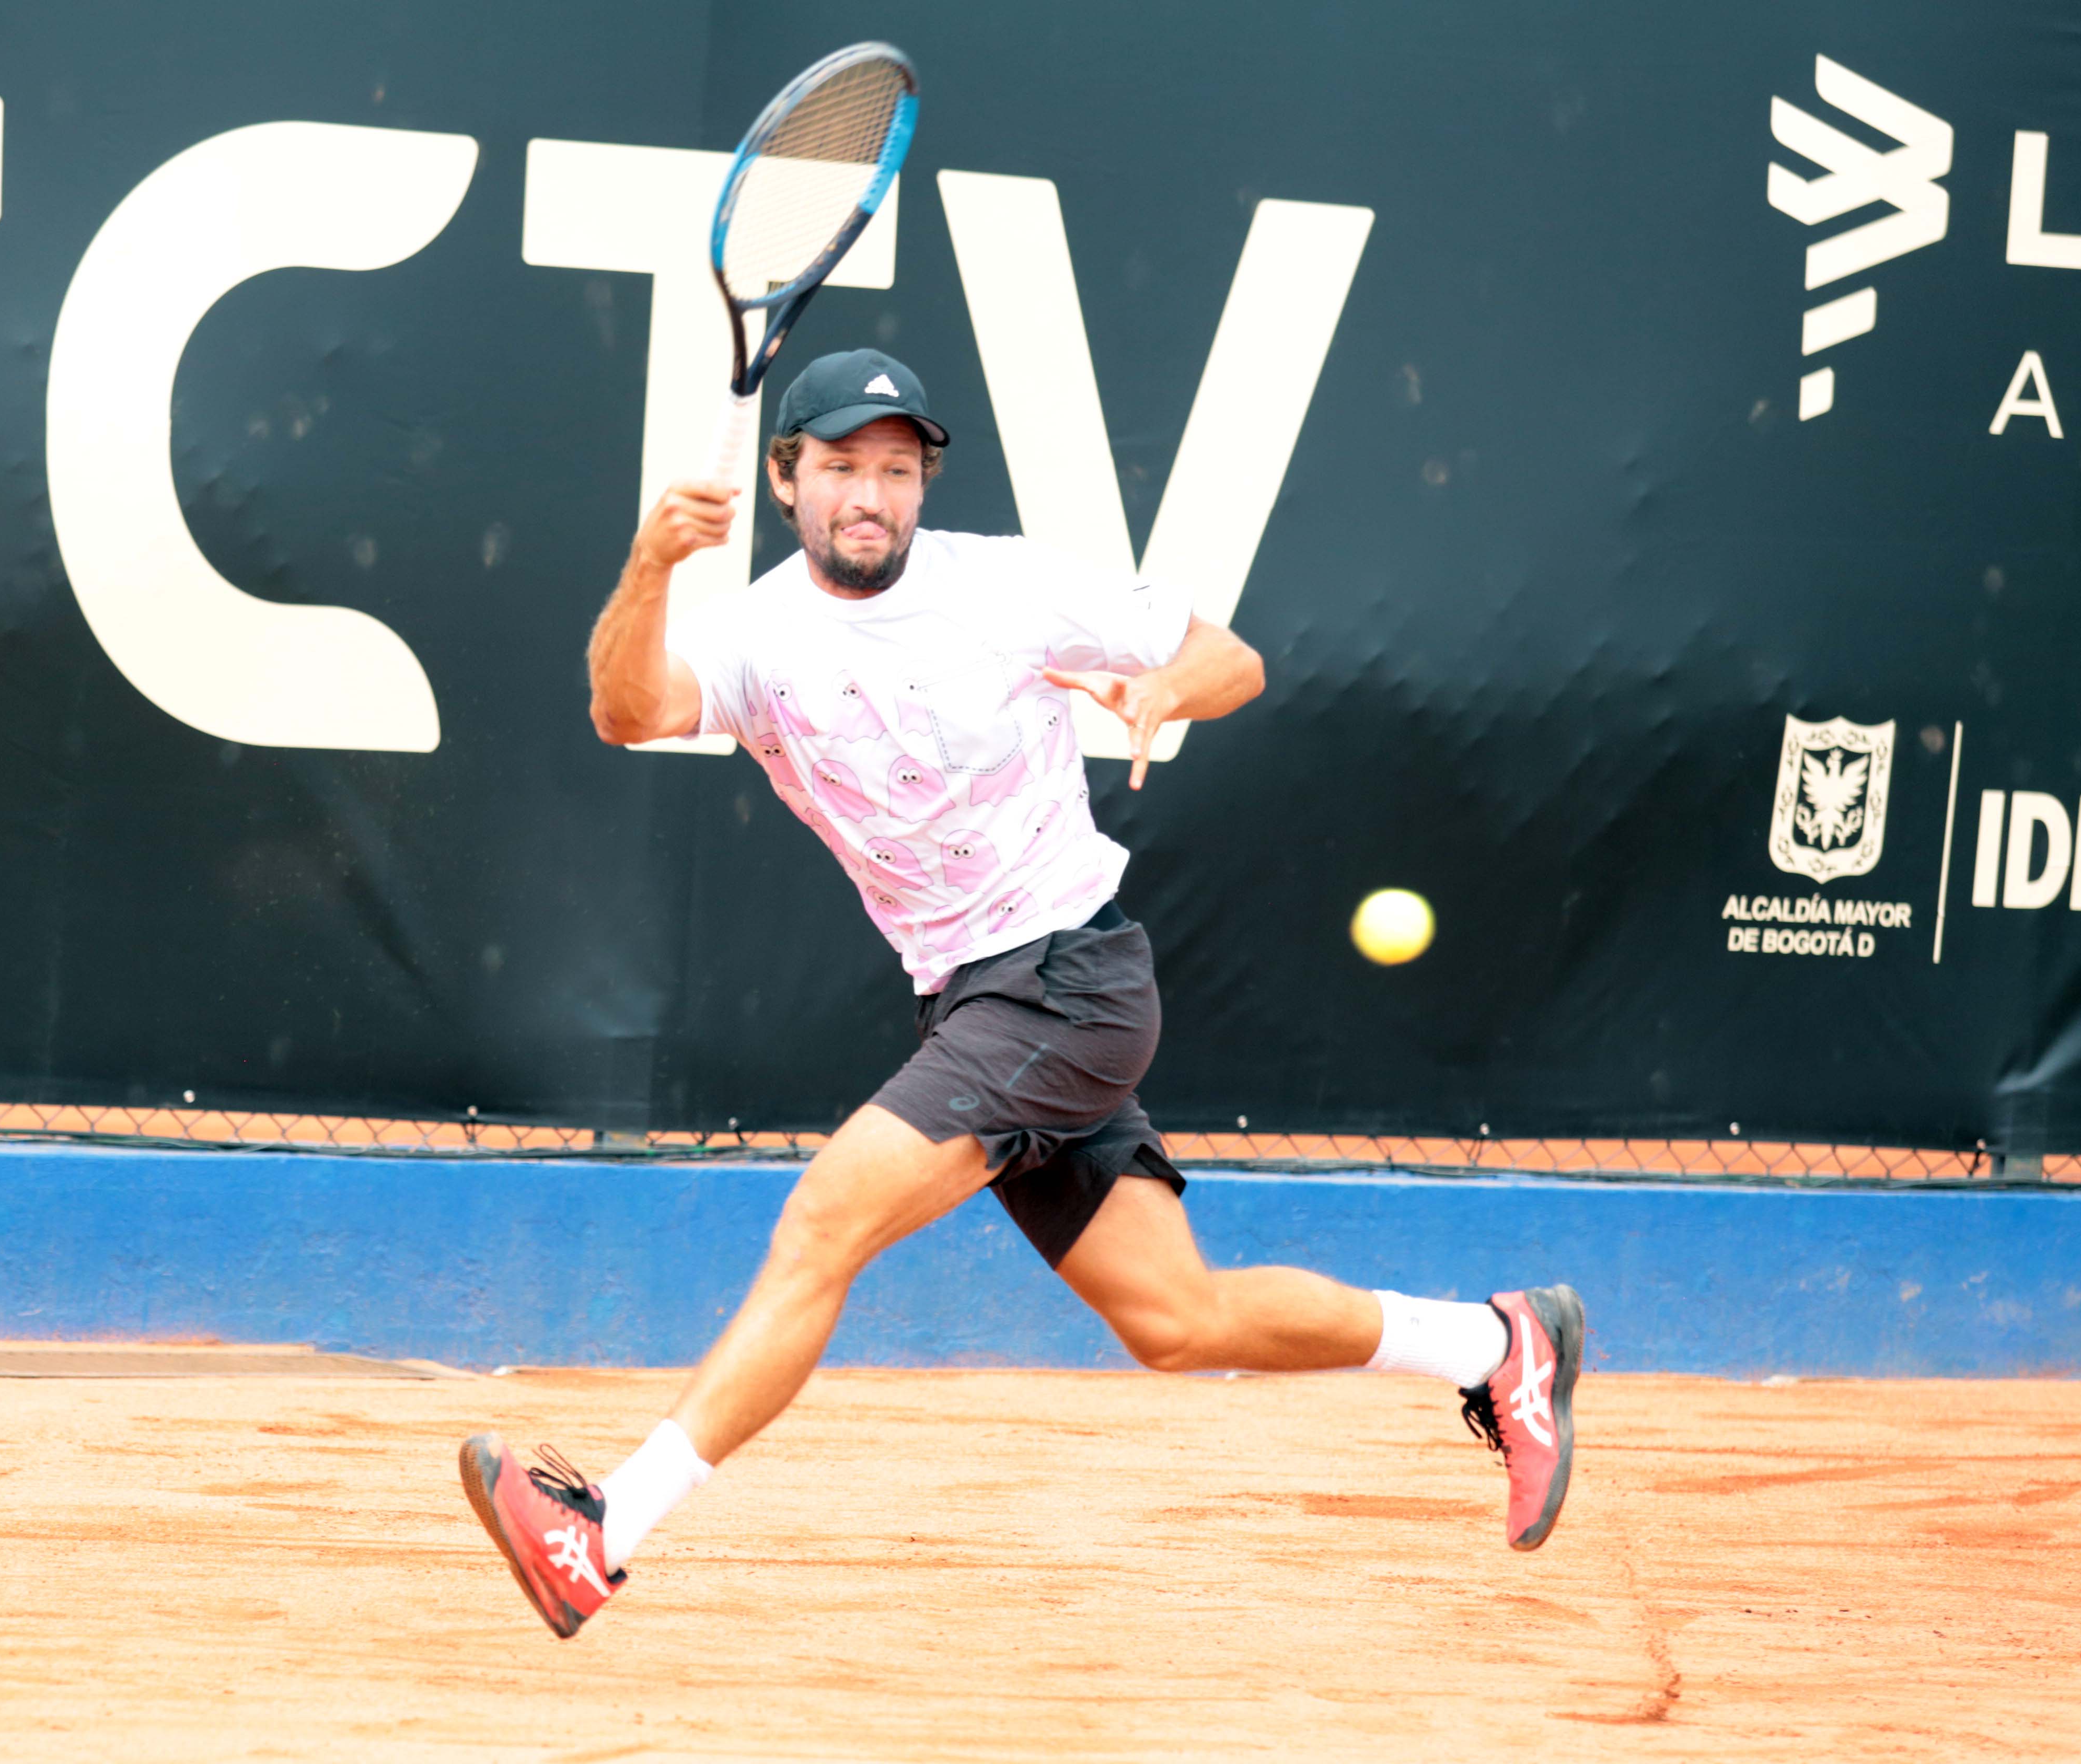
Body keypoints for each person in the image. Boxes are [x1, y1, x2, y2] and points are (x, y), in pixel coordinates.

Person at [460, 350, 1583, 1639]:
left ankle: (605, 1529)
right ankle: (1502, 1347)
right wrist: (654, 565)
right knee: (1178, 1317)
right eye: (841, 468)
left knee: (827, 1219)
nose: (871, 494)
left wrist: (1165, 688)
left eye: (896, 468)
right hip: (975, 998)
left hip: (1064, 982)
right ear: (787, 481)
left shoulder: (1003, 584)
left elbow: (1234, 659)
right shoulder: (757, 634)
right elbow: (628, 709)